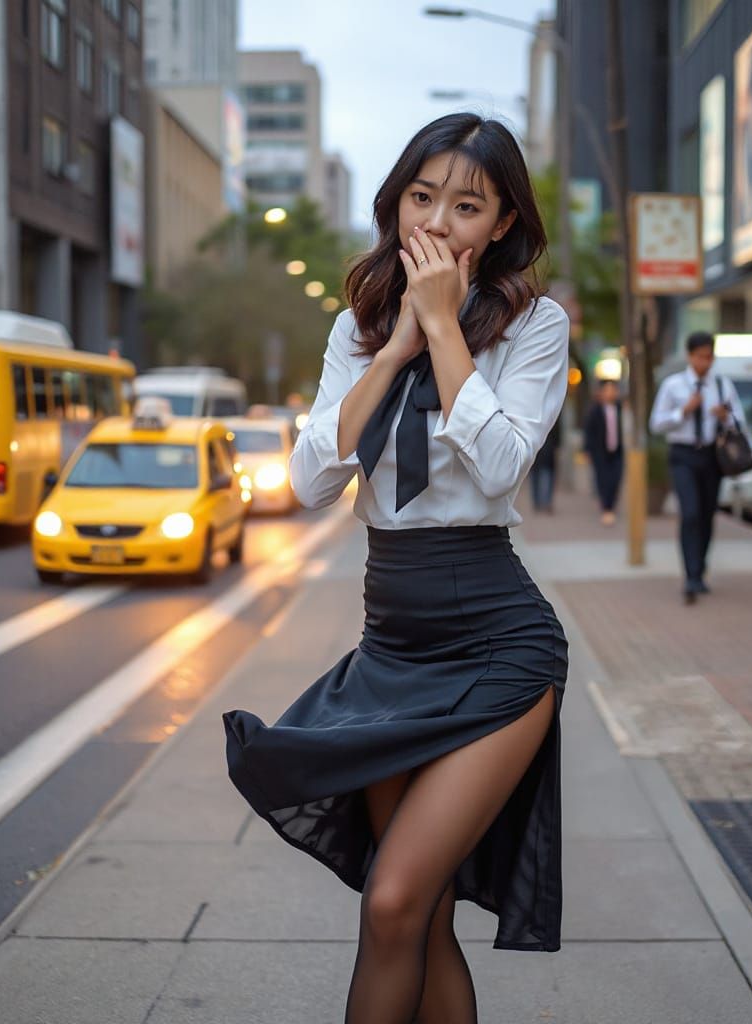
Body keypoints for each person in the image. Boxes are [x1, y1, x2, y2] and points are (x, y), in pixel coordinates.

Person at [223, 113, 570, 1024]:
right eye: (423, 197)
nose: (438, 221)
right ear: (396, 203)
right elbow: (308, 480)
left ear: (500, 224)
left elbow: (499, 466)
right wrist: (400, 348)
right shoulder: (358, 327)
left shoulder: (536, 326)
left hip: (500, 647)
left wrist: (447, 330)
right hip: (394, 646)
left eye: (466, 205)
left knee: (390, 903)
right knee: (420, 917)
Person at [649, 331, 747, 604]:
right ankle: (690, 576)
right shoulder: (674, 385)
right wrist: (685, 411)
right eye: (701, 356)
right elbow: (656, 424)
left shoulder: (722, 385)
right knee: (690, 513)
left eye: (710, 356)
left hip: (712, 457)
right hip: (683, 455)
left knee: (706, 515)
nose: (706, 362)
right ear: (690, 356)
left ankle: (700, 570)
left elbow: (740, 421)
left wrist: (725, 416)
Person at [583, 379, 623, 525]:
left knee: (615, 479)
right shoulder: (595, 410)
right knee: (603, 480)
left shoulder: (620, 409)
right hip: (600, 452)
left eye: (613, 390)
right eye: (607, 390)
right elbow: (589, 432)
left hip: (618, 452)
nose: (611, 393)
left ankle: (611, 505)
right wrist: (587, 450)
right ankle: (607, 508)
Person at [529, 414, 562, 513]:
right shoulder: (552, 413)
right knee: (546, 476)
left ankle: (538, 501)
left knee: (538, 476)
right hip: (547, 449)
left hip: (538, 450)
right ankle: (545, 501)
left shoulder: (533, 412)